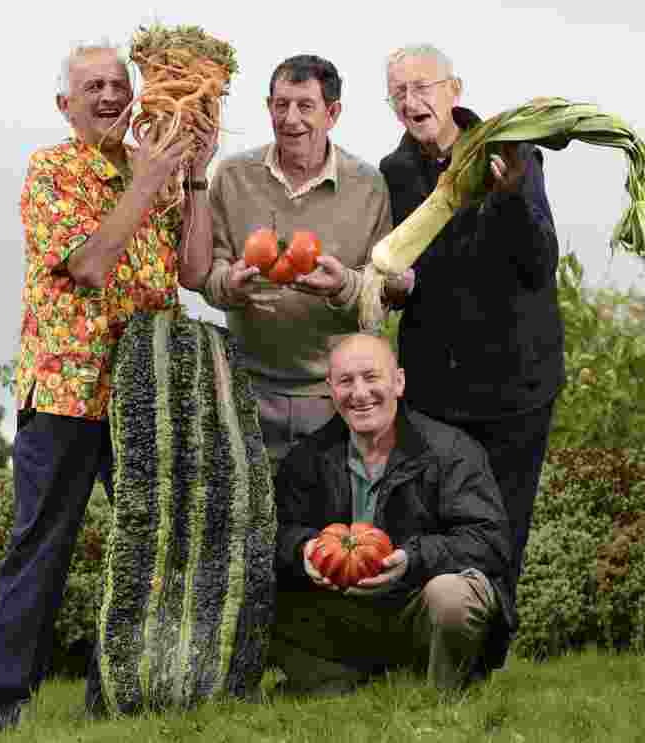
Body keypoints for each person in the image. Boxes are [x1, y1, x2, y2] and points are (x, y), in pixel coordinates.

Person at [0, 40, 217, 732]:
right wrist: (146, 185)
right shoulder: (51, 170)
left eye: (119, 84)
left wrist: (194, 174)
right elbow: (89, 265)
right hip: (65, 394)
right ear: (64, 105)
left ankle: (162, 692)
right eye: (93, 87)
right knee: (41, 546)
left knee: (163, 545)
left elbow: (194, 270)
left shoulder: (158, 169)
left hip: (147, 393)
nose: (111, 96)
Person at [378, 44, 564, 673]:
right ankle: (443, 650)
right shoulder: (395, 172)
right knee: (441, 521)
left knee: (506, 525)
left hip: (518, 383)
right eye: (398, 92)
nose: (412, 101)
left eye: (422, 86)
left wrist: (509, 197)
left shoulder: (513, 153)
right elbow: (403, 277)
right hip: (435, 387)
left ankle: (489, 662)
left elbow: (540, 264)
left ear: (453, 88)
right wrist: (393, 288)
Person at [270, 333, 516, 692]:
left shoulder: (452, 451)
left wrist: (412, 558)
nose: (359, 393)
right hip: (344, 611)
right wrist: (302, 550)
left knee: (452, 596)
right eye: (345, 381)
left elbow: (489, 540)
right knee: (260, 589)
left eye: (371, 377)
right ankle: (343, 682)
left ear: (398, 381)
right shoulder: (307, 458)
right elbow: (277, 531)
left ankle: (444, 693)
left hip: (417, 604)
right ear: (330, 389)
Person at [202, 54, 393, 467]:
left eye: (305, 106)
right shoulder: (233, 177)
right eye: (280, 104)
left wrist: (344, 285)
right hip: (246, 389)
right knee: (247, 519)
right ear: (267, 106)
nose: (291, 119)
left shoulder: (369, 187)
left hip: (333, 395)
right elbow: (211, 272)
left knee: (329, 522)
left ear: (333, 112)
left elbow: (383, 294)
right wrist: (229, 285)